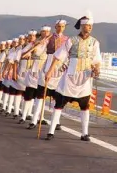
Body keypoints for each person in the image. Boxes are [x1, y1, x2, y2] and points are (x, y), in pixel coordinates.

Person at [43, 13, 103, 141]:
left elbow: (97, 60)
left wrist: (96, 69)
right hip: (70, 75)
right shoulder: (71, 40)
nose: (89, 27)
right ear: (82, 26)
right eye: (87, 25)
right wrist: (49, 72)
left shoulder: (94, 42)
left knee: (85, 105)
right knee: (59, 103)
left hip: (85, 76)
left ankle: (84, 133)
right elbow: (58, 56)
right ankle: (51, 131)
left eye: (91, 25)